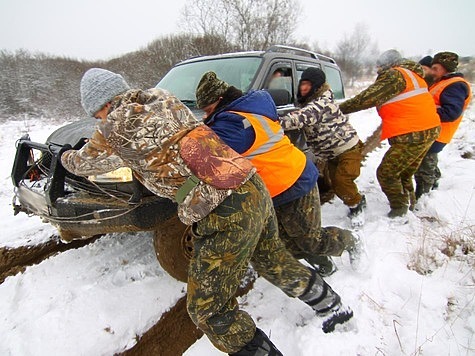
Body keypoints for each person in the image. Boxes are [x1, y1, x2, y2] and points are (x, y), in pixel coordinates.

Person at [60, 68, 353, 355]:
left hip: (223, 207)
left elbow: (84, 164)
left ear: (106, 104)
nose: (98, 120)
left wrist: (65, 156)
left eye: (96, 114)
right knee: (272, 258)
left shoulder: (114, 127)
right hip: (251, 185)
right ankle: (332, 306)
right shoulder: (162, 97)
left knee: (208, 308)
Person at [195, 71, 364, 277]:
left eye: (208, 110)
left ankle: (350, 240)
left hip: (295, 182)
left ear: (220, 101)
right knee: (285, 244)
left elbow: (203, 154)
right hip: (272, 191)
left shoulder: (234, 124)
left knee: (311, 240)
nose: (205, 116)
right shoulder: (244, 110)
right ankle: (324, 264)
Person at [339, 49, 441, 218]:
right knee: (404, 172)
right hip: (426, 129)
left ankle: (399, 211)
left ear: (388, 64)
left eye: (379, 67)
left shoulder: (395, 75)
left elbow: (366, 98)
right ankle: (410, 205)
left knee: (386, 173)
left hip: (413, 133)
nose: (378, 70)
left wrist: (337, 109)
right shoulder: (412, 74)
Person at [278, 67, 366, 224]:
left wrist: (273, 121)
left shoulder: (321, 103)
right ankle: (352, 197)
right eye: (302, 84)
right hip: (332, 153)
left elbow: (301, 118)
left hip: (348, 149)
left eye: (308, 84)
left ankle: (357, 205)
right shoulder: (310, 102)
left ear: (317, 86)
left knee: (341, 181)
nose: (303, 88)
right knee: (335, 183)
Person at [414, 52, 472, 198]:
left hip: (438, 134)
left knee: (424, 165)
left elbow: (451, 112)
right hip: (431, 131)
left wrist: (425, 109)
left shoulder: (455, 85)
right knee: (427, 161)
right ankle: (433, 182)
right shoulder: (442, 82)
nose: (432, 71)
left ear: (445, 68)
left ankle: (423, 196)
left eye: (435, 68)